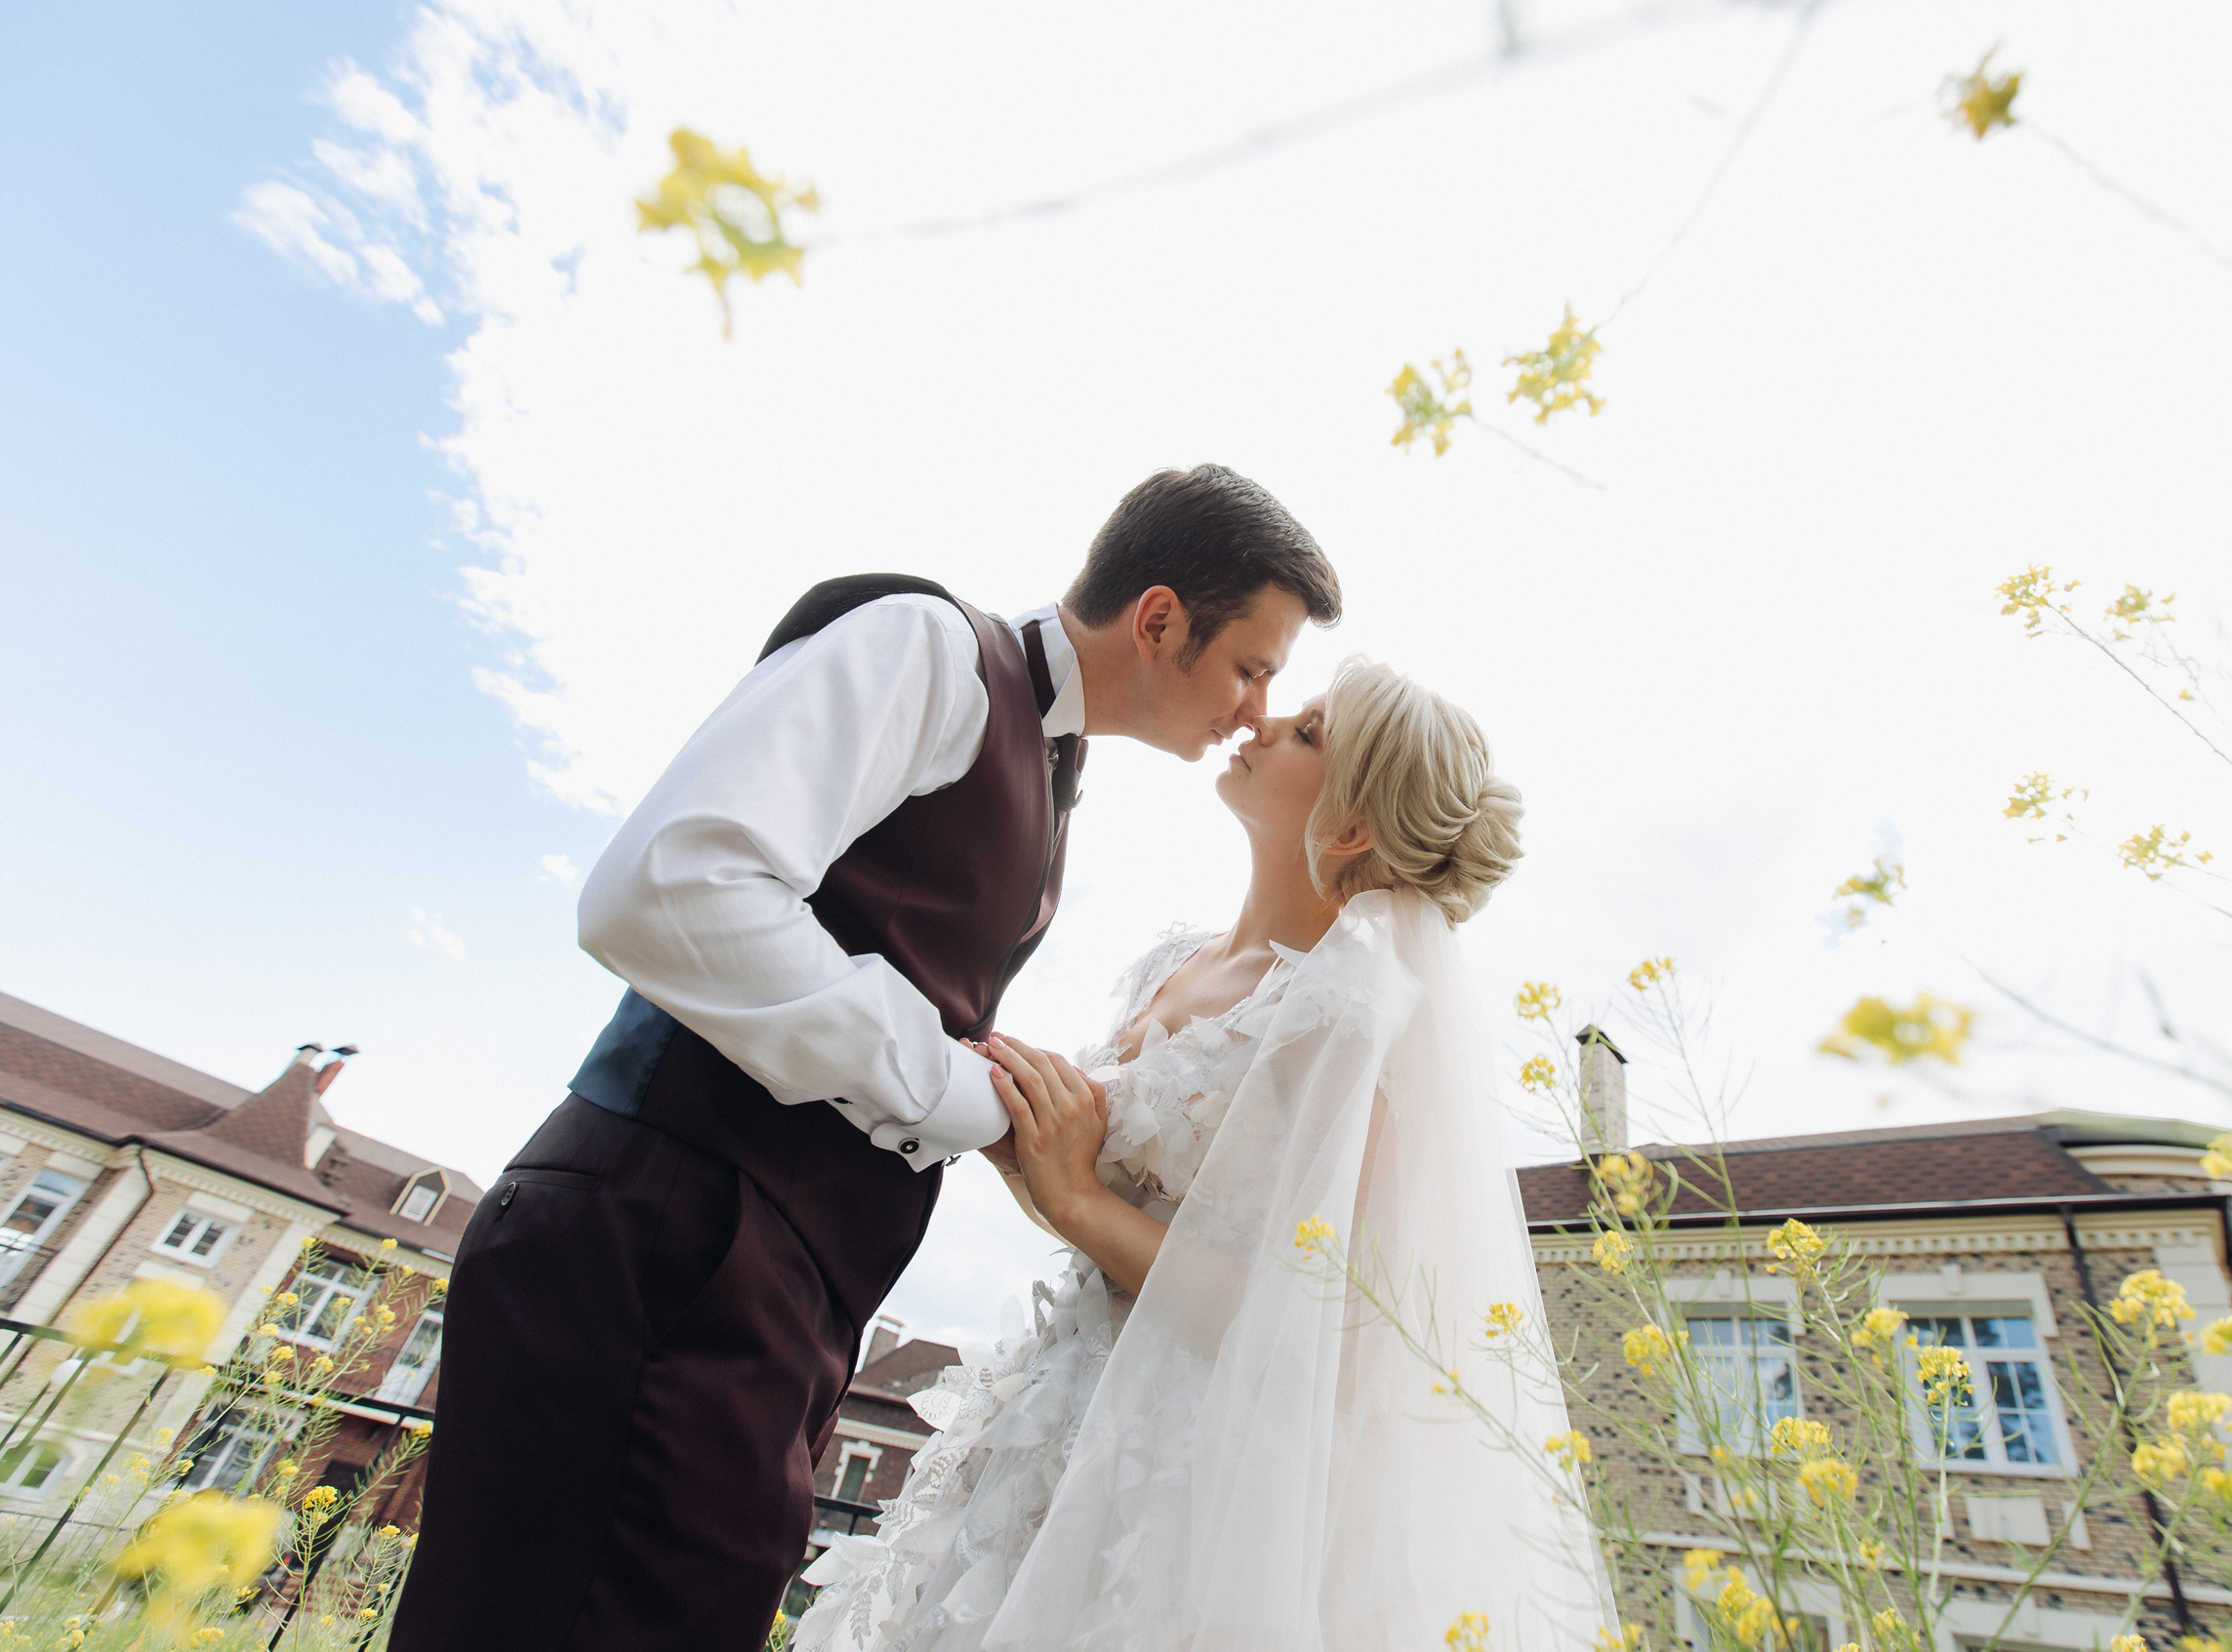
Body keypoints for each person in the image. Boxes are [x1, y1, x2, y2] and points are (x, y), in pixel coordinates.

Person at [389, 466, 1341, 1652]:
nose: (1256, 706)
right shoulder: (927, 650)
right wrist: (962, 1093)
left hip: (772, 1279)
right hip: (661, 1232)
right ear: (1157, 621)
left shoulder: (1048, 774)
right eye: (1252, 664)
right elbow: (666, 884)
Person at [796, 660, 1613, 1652]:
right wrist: (1035, 1154)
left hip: (1182, 1469)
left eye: (1308, 732)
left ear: (1352, 825)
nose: (1264, 722)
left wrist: (1078, 1204)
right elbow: (1098, 1193)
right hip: (1055, 1411)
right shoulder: (1173, 961)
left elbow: (1339, 1338)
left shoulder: (1344, 1017)